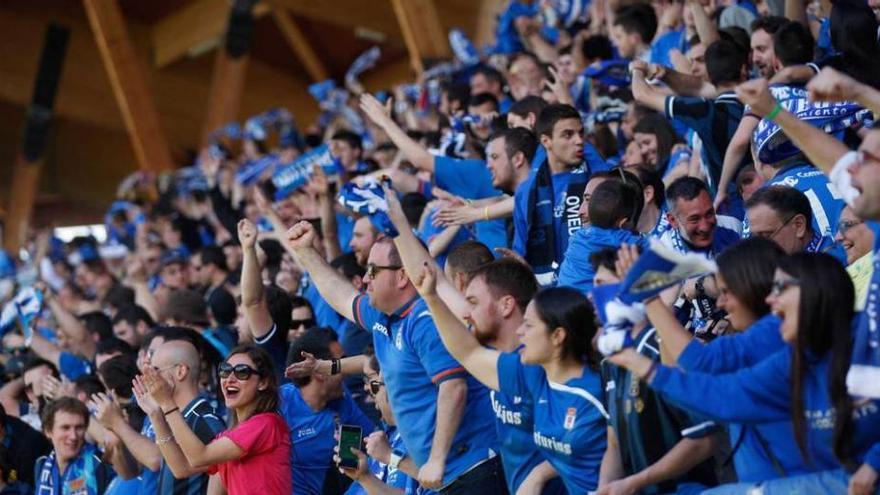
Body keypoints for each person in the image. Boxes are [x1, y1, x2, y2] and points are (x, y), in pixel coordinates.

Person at [609, 253, 880, 494]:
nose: (771, 299)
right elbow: (723, 397)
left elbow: (701, 362)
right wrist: (641, 364)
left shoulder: (866, 342)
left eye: (781, 288)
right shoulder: (794, 356)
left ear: (815, 289)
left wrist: (875, 461)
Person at [284, 221, 504, 493]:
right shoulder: (384, 315)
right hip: (446, 475)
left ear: (402, 276)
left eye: (373, 271)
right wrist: (306, 252)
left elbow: (453, 387)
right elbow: (343, 297)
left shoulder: (427, 320)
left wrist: (436, 460)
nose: (365, 279)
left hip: (474, 470)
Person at [410, 261, 608, 493]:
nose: (521, 331)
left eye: (529, 326)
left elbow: (620, 454)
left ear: (557, 336)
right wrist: (432, 299)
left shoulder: (595, 392)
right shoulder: (530, 375)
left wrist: (540, 473)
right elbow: (468, 353)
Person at [589, 249, 720, 494]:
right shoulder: (612, 361)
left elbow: (704, 439)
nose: (591, 295)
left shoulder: (665, 349)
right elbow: (614, 444)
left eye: (601, 285)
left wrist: (636, 482)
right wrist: (604, 488)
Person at [137, 345, 292, 494]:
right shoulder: (228, 436)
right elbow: (181, 468)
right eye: (225, 371)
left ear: (263, 382)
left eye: (242, 372)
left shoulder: (266, 423)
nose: (229, 379)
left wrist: (167, 403)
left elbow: (199, 457)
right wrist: (156, 415)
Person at [122, 339, 225, 494]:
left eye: (155, 370)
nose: (147, 378)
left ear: (180, 371)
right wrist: (155, 414)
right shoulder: (176, 417)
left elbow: (183, 470)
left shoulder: (206, 420)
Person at [281, 327, 375, 494]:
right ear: (320, 372)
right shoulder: (279, 403)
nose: (347, 370)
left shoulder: (342, 403)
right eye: (341, 362)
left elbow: (374, 445)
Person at [339, 352, 420, 495]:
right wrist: (363, 477)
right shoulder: (384, 439)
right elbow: (367, 361)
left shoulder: (422, 436)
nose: (368, 388)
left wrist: (390, 457)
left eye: (373, 382)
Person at [557, 178, 647, 294]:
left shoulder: (576, 237)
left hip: (560, 301)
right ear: (622, 222)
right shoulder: (625, 241)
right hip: (587, 308)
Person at [35, 397, 115, 494]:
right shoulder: (42, 465)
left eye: (79, 427)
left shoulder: (99, 464)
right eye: (65, 428)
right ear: (48, 431)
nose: (73, 436)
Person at [746, 185, 846, 262]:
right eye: (754, 238)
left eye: (766, 236)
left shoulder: (834, 266)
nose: (759, 247)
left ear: (799, 225)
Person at [659, 177, 741, 257]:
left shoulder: (732, 227)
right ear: (673, 220)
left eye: (709, 214)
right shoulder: (663, 258)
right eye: (694, 219)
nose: (705, 227)